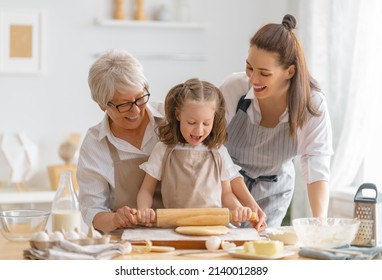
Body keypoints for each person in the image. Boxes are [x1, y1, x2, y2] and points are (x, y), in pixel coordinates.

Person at [220, 14, 333, 228]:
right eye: (249, 68)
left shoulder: (311, 104)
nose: (253, 79)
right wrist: (236, 200)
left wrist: (321, 224)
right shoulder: (233, 88)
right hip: (227, 187)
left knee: (264, 251)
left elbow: (316, 164)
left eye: (264, 73)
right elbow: (213, 148)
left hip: (274, 191)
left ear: (289, 71)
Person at [136, 78, 263, 228]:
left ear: (214, 119)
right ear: (178, 115)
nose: (199, 130)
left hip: (214, 227)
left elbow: (226, 194)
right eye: (191, 122)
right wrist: (144, 210)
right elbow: (146, 190)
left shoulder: (218, 151)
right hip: (174, 227)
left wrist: (238, 208)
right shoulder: (163, 150)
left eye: (206, 123)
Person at [77, 49, 164, 233]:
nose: (136, 111)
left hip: (180, 232)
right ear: (102, 105)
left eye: (140, 98)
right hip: (128, 241)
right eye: (124, 105)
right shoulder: (95, 144)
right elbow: (92, 210)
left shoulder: (171, 119)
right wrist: (115, 219)